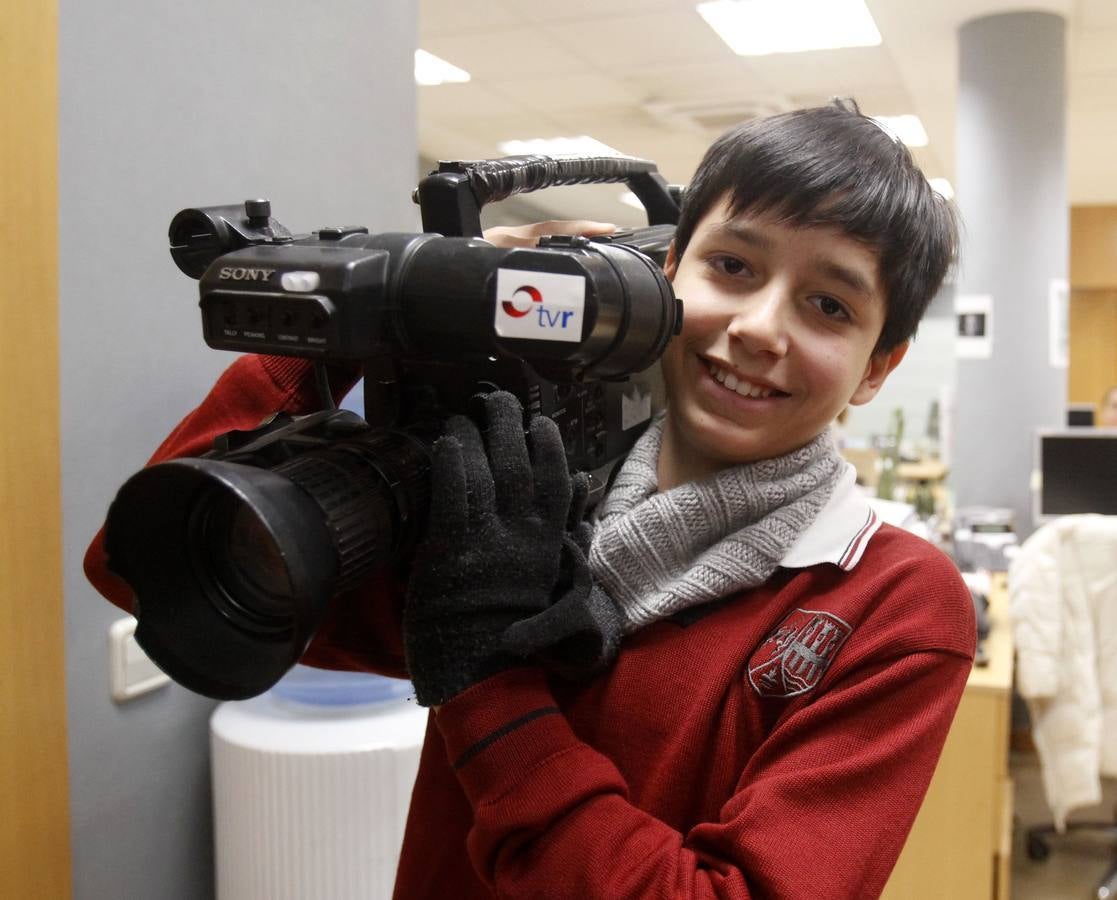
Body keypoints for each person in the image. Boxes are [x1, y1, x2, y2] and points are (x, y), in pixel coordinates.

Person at [84, 99, 975, 898]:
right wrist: (375, 306)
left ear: (877, 367)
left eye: (828, 305)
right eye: (734, 267)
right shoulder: (517, 497)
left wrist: (487, 683)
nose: (758, 328)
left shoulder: (888, 605)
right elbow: (146, 571)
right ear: (667, 272)